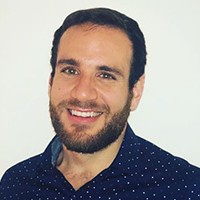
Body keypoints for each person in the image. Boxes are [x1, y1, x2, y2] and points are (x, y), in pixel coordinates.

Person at [0, 7, 200, 200]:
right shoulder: (16, 184)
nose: (83, 93)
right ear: (51, 81)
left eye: (106, 75)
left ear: (135, 91)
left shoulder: (185, 188)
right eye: (70, 70)